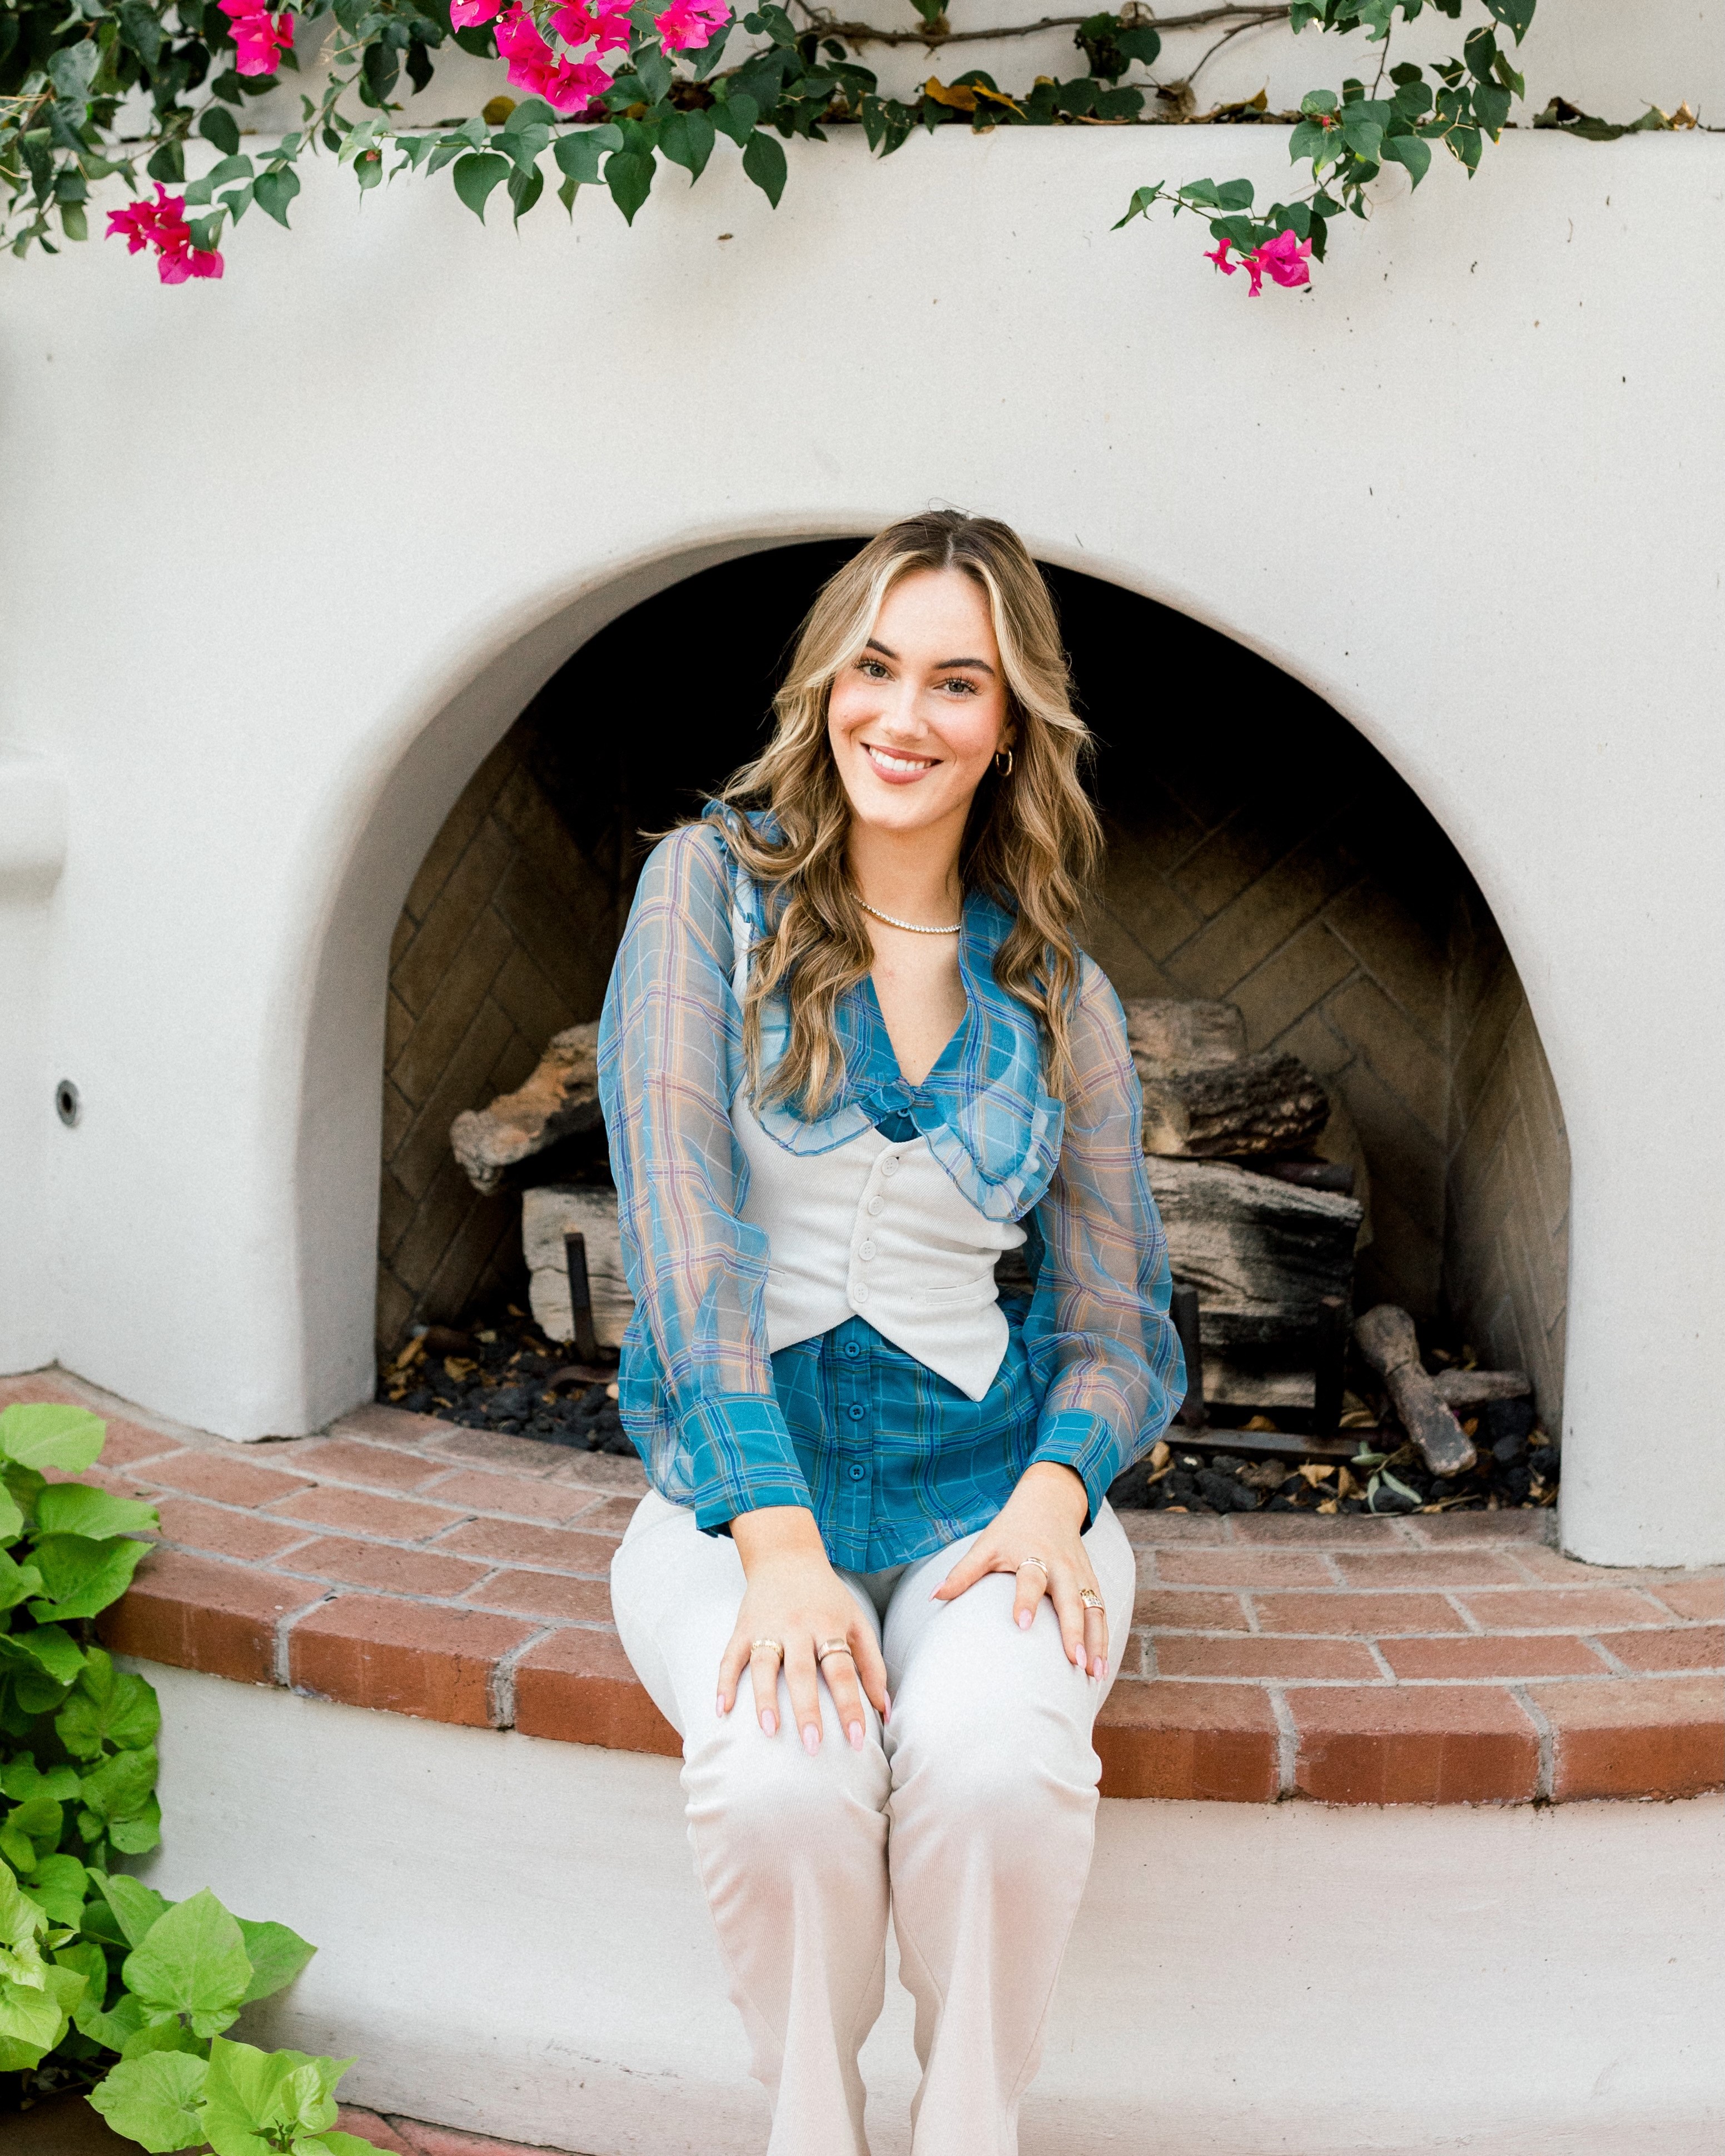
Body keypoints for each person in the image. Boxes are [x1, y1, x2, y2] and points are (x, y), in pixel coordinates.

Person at [601, 510, 1182, 2156]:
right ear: (825, 683)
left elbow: (1119, 1318)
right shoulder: (707, 888)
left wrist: (1057, 1497)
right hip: (741, 1496)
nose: (902, 717)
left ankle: (970, 2133)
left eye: (955, 683)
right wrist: (774, 1545)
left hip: (982, 1498)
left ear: (1010, 729)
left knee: (998, 1770)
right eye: (874, 667)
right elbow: (680, 1239)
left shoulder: (1059, 990)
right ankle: (810, 2132)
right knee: (783, 1782)